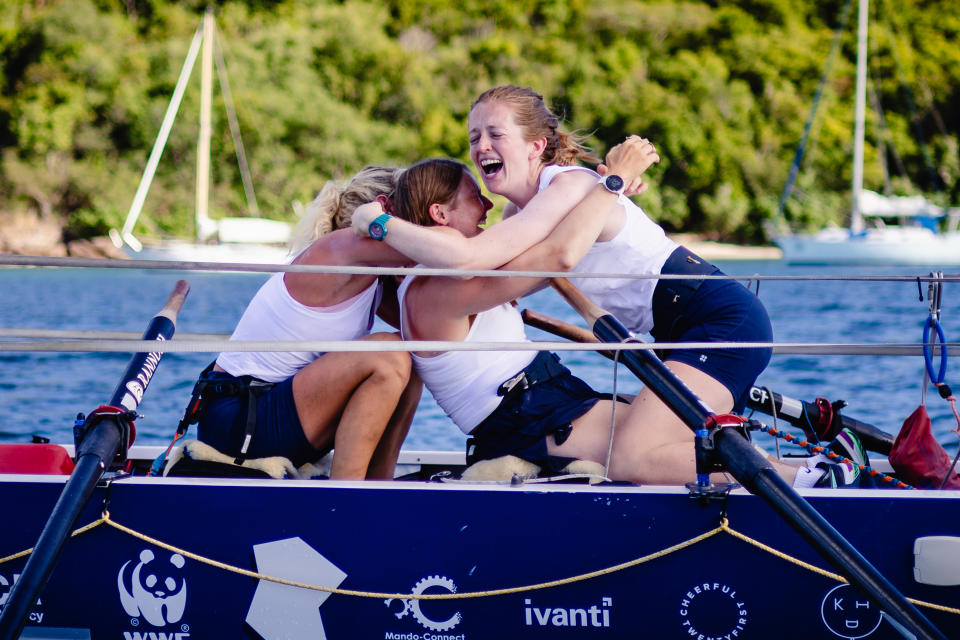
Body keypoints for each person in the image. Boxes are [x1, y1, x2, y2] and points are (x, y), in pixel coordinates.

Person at [353, 87, 865, 488]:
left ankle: (814, 477)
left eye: (494, 134)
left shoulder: (573, 185)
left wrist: (613, 183)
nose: (481, 146)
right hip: (673, 328)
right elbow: (529, 276)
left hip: (718, 316)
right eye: (472, 138)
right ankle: (792, 468)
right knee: (659, 442)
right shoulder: (523, 210)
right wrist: (580, 328)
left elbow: (556, 257)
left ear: (535, 146)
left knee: (635, 457)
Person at [193, 167, 422, 480]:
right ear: (386, 210)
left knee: (415, 352)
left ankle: (379, 485)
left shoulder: (373, 272)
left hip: (276, 414)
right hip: (237, 421)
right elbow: (445, 254)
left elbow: (422, 324)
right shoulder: (340, 248)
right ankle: (344, 500)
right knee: (391, 354)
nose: (423, 223)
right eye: (418, 211)